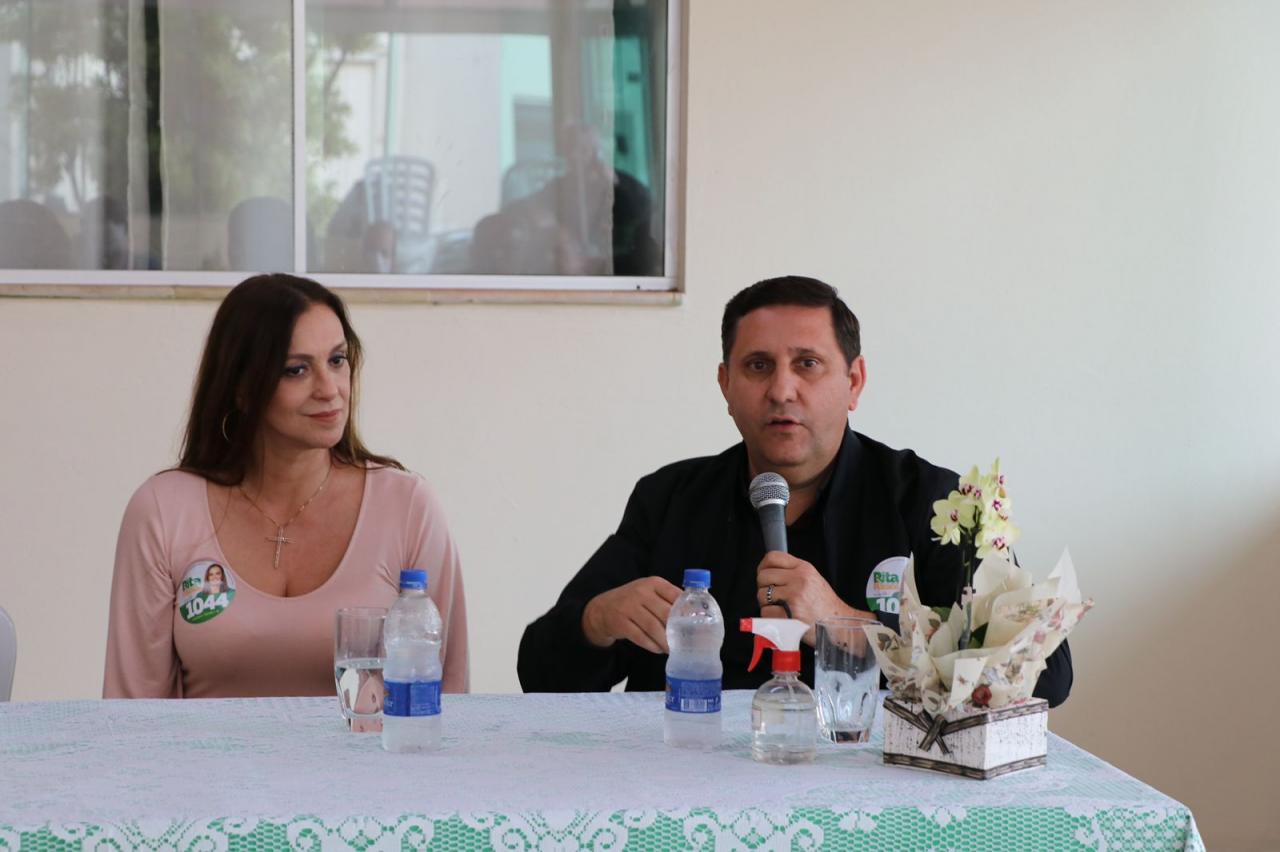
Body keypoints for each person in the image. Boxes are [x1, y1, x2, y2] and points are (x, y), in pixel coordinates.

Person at [517, 275, 1072, 706]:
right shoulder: (669, 499)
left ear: (853, 382)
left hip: (870, 792)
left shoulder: (934, 503)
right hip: (686, 780)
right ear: (725, 385)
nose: (782, 389)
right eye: (758, 366)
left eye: (807, 364)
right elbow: (537, 675)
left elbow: (1047, 676)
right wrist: (595, 622)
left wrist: (848, 627)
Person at [104, 274, 468, 698]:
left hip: (375, 747)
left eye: (337, 360)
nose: (330, 390)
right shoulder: (162, 511)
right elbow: (131, 710)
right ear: (241, 388)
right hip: (201, 748)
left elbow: (448, 698)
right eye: (297, 370)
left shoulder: (407, 506)